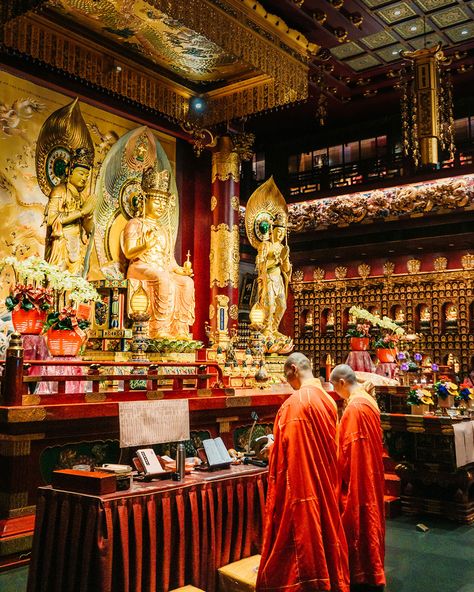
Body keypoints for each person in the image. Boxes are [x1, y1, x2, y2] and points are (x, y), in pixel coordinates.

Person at [256, 352, 349, 592]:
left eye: (288, 379)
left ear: (294, 370)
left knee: (304, 542)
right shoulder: (328, 399)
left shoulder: (295, 404)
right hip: (326, 479)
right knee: (328, 533)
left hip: (303, 484)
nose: (289, 384)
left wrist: (273, 449)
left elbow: (294, 453)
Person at [330, 364, 386, 592]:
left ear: (342, 382)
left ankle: (363, 572)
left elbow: (348, 449)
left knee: (360, 522)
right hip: (372, 471)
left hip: (358, 475)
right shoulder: (367, 400)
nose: (336, 393)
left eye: (335, 387)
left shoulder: (355, 408)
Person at [121, 166, 195, 339]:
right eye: (157, 201)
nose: (161, 206)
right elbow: (130, 253)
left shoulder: (163, 229)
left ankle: (179, 328)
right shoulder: (135, 224)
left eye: (164, 202)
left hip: (161, 268)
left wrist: (179, 270)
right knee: (162, 278)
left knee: (186, 283)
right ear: (144, 201)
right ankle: (158, 327)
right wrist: (144, 245)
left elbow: (168, 260)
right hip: (140, 266)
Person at [44, 147, 95, 275]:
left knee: (75, 285)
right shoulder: (59, 191)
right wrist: (81, 212)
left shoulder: (82, 198)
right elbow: (51, 219)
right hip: (61, 243)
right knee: (58, 283)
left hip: (77, 245)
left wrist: (88, 215)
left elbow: (88, 229)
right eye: (81, 173)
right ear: (69, 171)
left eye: (87, 176)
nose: (84, 178)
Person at [255, 213, 292, 340]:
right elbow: (260, 266)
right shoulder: (265, 245)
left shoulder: (282, 247)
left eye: (283, 232)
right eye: (278, 231)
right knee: (270, 305)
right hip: (269, 278)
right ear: (272, 230)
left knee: (282, 306)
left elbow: (286, 269)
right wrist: (276, 261)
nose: (280, 234)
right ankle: (266, 329)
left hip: (278, 279)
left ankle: (274, 328)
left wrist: (285, 259)